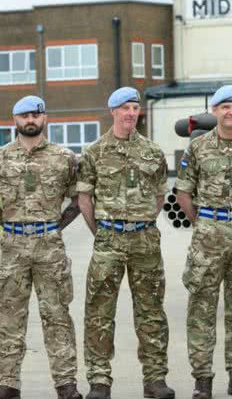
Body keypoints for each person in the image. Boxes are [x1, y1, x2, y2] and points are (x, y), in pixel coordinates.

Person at [77, 87, 174, 399]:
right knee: (99, 312)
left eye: (135, 107)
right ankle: (99, 381)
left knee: (151, 312)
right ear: (113, 111)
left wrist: (141, 221)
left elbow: (160, 196)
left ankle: (155, 380)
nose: (131, 113)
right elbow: (84, 199)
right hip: (108, 239)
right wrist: (104, 231)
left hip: (145, 239)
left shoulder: (153, 152)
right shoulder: (94, 152)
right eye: (125, 108)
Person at [176, 85, 232, 399]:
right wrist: (204, 223)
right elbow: (183, 193)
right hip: (208, 241)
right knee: (201, 310)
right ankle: (203, 380)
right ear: (215, 110)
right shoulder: (198, 147)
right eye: (226, 107)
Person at [0, 96, 83, 399]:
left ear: (45, 118)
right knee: (9, 317)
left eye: (36, 114)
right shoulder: (1, 158)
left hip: (50, 247)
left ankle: (66, 384)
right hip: (11, 247)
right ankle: (7, 384)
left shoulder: (64, 157)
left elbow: (78, 199)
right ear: (15, 120)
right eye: (24, 115)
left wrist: (56, 226)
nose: (30, 119)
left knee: (57, 315)